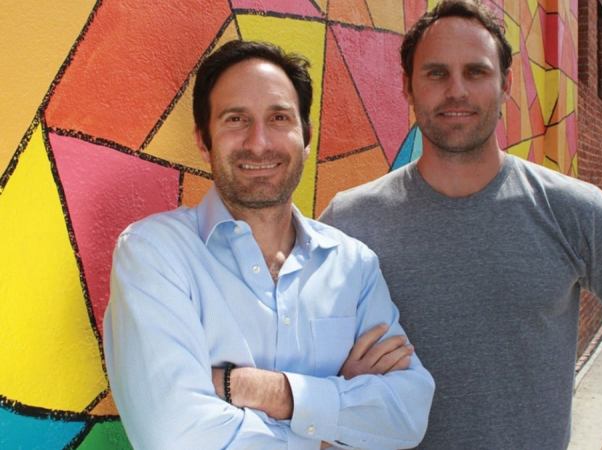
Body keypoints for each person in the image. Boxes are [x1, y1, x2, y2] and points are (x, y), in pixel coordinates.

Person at [320, 1, 602, 448]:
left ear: (506, 84)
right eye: (436, 73)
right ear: (408, 87)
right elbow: (295, 365)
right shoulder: (349, 221)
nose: (456, 90)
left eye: (476, 72)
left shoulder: (574, 210)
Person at [103, 40, 434, 450]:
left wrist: (260, 389)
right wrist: (333, 415)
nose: (259, 143)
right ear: (204, 141)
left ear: (306, 137)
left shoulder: (354, 265)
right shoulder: (154, 254)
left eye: (279, 118)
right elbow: (177, 437)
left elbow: (407, 414)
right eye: (236, 119)